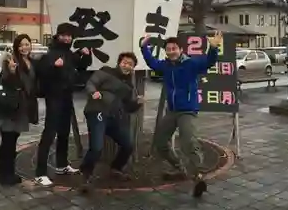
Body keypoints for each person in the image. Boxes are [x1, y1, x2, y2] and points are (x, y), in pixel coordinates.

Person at [140, 32, 222, 198]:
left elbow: (208, 62)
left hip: (187, 110)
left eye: (174, 48)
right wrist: (144, 47)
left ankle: (198, 175)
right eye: (168, 49)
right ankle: (180, 168)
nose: (171, 51)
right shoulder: (165, 65)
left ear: (181, 49)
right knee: (160, 142)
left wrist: (213, 48)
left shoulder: (190, 64)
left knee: (188, 142)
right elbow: (152, 63)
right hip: (172, 110)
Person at [34, 22, 92, 186]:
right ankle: (40, 172)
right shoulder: (51, 54)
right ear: (58, 36)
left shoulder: (69, 54)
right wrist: (54, 66)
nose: (67, 38)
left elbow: (82, 66)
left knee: (64, 132)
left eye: (69, 36)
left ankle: (61, 165)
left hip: (67, 97)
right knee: (49, 133)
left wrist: (86, 54)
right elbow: (42, 73)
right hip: (54, 98)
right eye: (64, 35)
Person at [79, 52, 144, 193]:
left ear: (133, 68)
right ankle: (86, 173)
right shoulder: (106, 71)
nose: (126, 66)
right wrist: (93, 92)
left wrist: (137, 103)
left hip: (113, 118)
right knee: (96, 147)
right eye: (124, 62)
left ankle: (116, 168)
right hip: (97, 112)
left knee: (128, 144)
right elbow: (91, 83)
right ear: (119, 62)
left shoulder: (128, 86)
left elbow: (128, 107)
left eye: (130, 64)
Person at [0, 34, 39, 186]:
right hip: (11, 107)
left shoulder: (31, 62)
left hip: (22, 107)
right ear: (16, 47)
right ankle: (6, 176)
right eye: (21, 45)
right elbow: (5, 82)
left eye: (27, 44)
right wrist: (12, 72)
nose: (24, 47)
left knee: (12, 138)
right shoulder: (12, 61)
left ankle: (1, 165)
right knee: (9, 140)